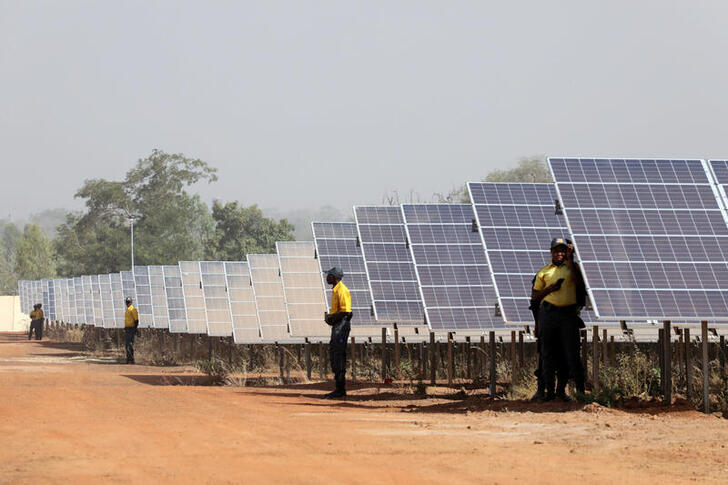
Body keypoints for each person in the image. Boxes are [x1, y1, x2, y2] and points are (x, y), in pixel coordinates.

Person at [531, 238, 586, 401]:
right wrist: (550, 289)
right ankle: (547, 392)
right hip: (548, 315)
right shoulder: (543, 272)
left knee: (570, 354)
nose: (559, 254)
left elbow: (578, 281)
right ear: (551, 253)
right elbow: (534, 297)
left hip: (568, 316)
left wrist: (571, 259)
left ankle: (567, 391)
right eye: (556, 251)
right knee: (547, 354)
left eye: (563, 250)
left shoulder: (573, 269)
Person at [322, 267, 352, 399]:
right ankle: (339, 388)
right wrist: (331, 319)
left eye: (329, 275)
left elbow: (346, 312)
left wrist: (332, 318)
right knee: (334, 354)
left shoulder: (342, 290)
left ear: (334, 277)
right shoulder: (335, 290)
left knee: (338, 355)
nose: (327, 277)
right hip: (338, 325)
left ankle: (340, 390)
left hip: (342, 326)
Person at [124, 297, 139, 364]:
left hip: (131, 328)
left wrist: (135, 329)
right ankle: (129, 359)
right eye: (127, 302)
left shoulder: (133, 309)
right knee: (127, 344)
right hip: (127, 328)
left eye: (128, 302)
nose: (127, 303)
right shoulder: (127, 310)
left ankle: (131, 359)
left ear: (131, 302)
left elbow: (136, 320)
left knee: (129, 344)